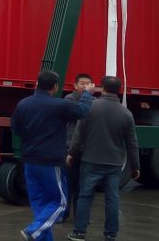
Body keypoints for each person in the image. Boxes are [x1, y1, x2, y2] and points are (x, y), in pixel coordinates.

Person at [12, 71, 93, 241]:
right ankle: (33, 230)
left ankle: (43, 238)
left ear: (37, 83)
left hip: (30, 161)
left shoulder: (23, 104)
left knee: (40, 204)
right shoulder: (59, 105)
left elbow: (16, 130)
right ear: (55, 87)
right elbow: (83, 111)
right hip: (51, 162)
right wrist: (87, 94)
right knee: (60, 203)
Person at [66, 76, 140, 241]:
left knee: (85, 195)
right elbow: (132, 143)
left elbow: (78, 135)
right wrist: (135, 167)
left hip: (90, 160)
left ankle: (79, 232)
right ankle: (110, 234)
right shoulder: (126, 113)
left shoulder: (90, 107)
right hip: (114, 163)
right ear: (119, 90)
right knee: (112, 198)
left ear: (102, 88)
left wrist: (71, 153)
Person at [62, 73, 94, 221]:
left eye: (88, 83)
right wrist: (87, 96)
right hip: (70, 148)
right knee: (68, 184)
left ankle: (81, 216)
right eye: (82, 83)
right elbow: (80, 113)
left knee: (84, 186)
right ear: (75, 85)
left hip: (87, 150)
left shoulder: (95, 102)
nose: (85, 86)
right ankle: (64, 213)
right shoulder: (69, 99)